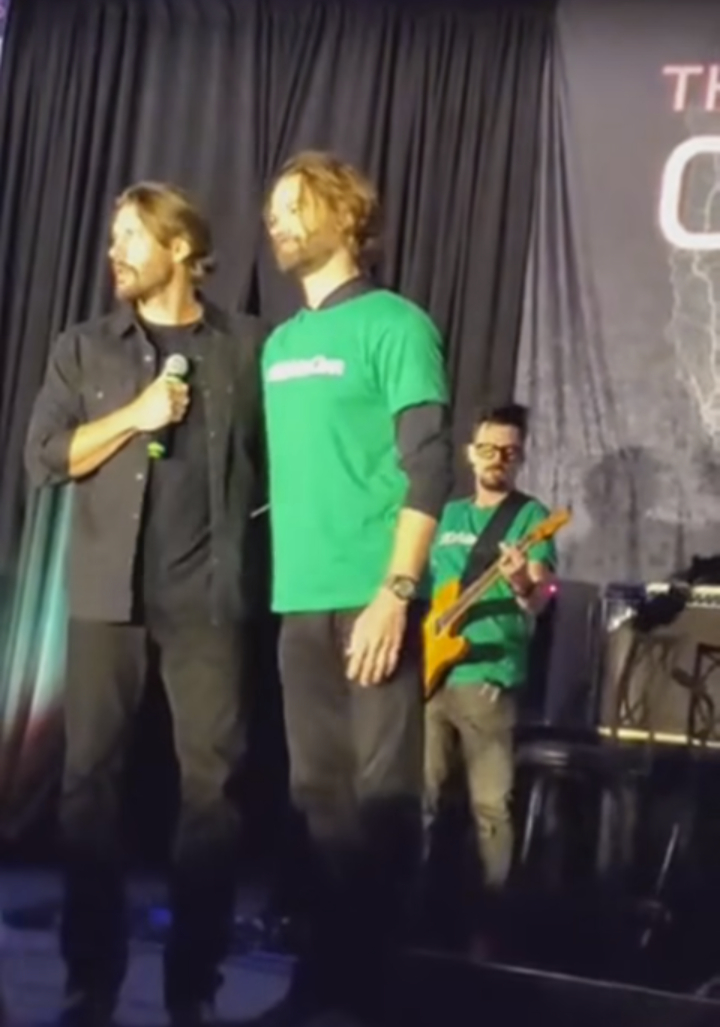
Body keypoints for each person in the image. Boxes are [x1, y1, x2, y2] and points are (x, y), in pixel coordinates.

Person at [24, 182, 267, 1027]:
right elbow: (45, 455)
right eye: (113, 236)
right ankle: (90, 979)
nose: (115, 251)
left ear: (180, 247)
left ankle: (192, 986)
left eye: (132, 236)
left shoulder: (246, 347)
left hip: (208, 599)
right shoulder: (85, 347)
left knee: (214, 790)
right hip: (108, 596)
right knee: (88, 786)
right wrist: (137, 413)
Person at [259, 150, 453, 1023]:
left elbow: (429, 464)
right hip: (299, 602)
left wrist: (396, 590)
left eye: (294, 205)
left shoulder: (395, 325)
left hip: (375, 599)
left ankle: (370, 992)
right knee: (319, 801)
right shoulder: (280, 345)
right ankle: (324, 980)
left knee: (381, 804)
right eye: (272, 208)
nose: (276, 220)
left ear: (345, 216)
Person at [422, 402, 557, 955]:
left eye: (509, 451)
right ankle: (414, 919)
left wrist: (522, 579)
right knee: (423, 801)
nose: (497, 459)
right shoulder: (447, 516)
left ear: (520, 458)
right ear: (469, 453)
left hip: (488, 678)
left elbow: (542, 596)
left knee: (491, 810)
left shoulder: (532, 517)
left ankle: (488, 932)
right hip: (431, 676)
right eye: (488, 448)